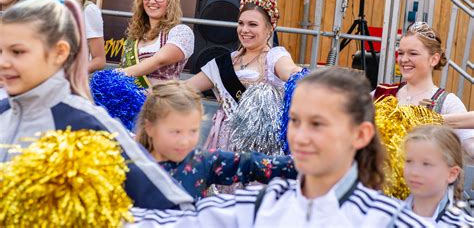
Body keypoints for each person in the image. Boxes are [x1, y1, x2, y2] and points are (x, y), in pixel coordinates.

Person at [128, 67, 430, 227]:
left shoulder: (388, 220)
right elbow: (170, 222)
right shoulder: (260, 206)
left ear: (361, 135)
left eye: (318, 124)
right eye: (295, 121)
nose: (299, 136)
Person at [0, 0, 195, 210]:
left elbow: (174, 204)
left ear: (60, 53)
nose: (3, 62)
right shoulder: (3, 108)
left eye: (18, 52)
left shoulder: (88, 122)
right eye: (1, 51)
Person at [135, 80, 296, 199]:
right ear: (150, 127)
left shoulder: (202, 162)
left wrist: (304, 165)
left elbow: (251, 164)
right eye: (175, 132)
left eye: (193, 131)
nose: (184, 141)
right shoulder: (128, 166)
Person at [186, 0, 300, 152]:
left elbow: (291, 72)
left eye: (253, 24)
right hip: (224, 142)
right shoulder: (225, 62)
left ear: (269, 28)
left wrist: (304, 78)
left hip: (258, 147)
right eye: (241, 23)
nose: (245, 30)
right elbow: (186, 87)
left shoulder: (275, 57)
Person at [373, 21, 474, 156]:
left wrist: (436, 120)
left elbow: (470, 146)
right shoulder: (381, 93)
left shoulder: (447, 102)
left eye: (413, 54)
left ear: (434, 59)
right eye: (401, 53)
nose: (404, 59)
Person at [119, 0, 194, 88]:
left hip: (161, 103)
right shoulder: (135, 36)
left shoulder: (181, 32)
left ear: (171, 1)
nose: (152, 1)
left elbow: (159, 60)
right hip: (130, 104)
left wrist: (116, 75)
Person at [403, 125, 474, 226]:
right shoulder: (385, 214)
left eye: (426, 164)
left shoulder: (463, 225)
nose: (414, 172)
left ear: (451, 174)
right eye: (409, 161)